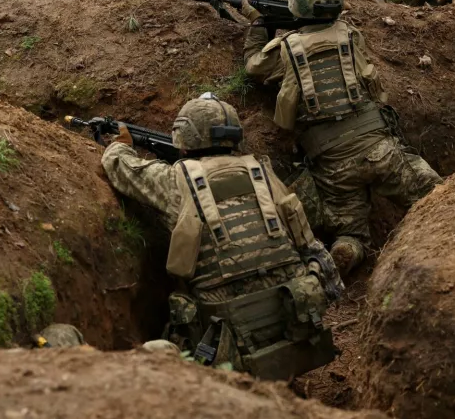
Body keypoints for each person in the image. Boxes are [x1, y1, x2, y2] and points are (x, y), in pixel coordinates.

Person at [101, 93, 343, 380]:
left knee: (160, 348)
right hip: (296, 323)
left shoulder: (176, 182)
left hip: (226, 344)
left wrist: (120, 144)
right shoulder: (262, 173)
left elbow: (117, 164)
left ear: (185, 134)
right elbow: (310, 247)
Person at [241, 0, 442, 277]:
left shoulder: (286, 49)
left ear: (297, 6)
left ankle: (348, 246)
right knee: (434, 194)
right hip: (380, 148)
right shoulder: (350, 35)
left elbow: (254, 66)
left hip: (333, 164)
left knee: (350, 228)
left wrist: (258, 25)